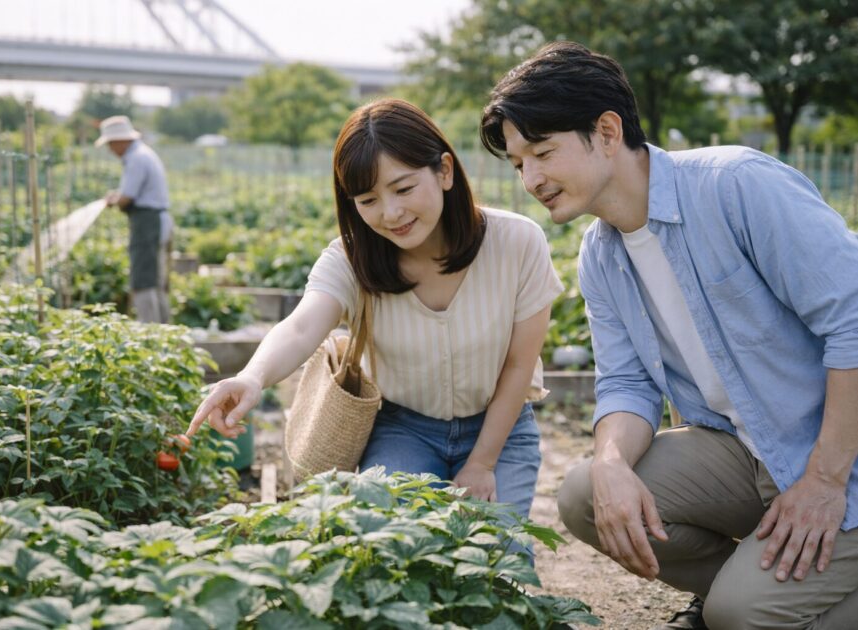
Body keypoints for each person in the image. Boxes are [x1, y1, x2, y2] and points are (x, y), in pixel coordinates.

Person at [479, 41, 858, 629]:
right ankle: (766, 589)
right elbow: (627, 383)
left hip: (841, 454)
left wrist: (825, 480)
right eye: (517, 163)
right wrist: (610, 462)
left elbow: (853, 322)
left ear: (607, 131)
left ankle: (759, 598)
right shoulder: (600, 255)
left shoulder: (737, 186)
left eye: (542, 152)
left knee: (737, 614)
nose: (530, 178)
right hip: (746, 449)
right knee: (586, 494)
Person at [188, 98, 563, 522]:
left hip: (502, 429)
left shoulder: (517, 242)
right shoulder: (351, 260)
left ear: (444, 170)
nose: (391, 213)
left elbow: (519, 365)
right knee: (393, 550)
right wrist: (251, 377)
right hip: (404, 430)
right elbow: (299, 328)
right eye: (367, 200)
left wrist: (482, 463)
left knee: (499, 561)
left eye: (403, 189)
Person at [97, 115, 174, 324]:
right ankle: (163, 332)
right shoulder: (144, 154)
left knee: (144, 280)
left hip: (148, 223)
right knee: (156, 281)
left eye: (111, 144)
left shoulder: (136, 158)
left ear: (121, 140)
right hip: (156, 220)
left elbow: (127, 198)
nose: (111, 149)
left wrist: (113, 201)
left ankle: (149, 332)